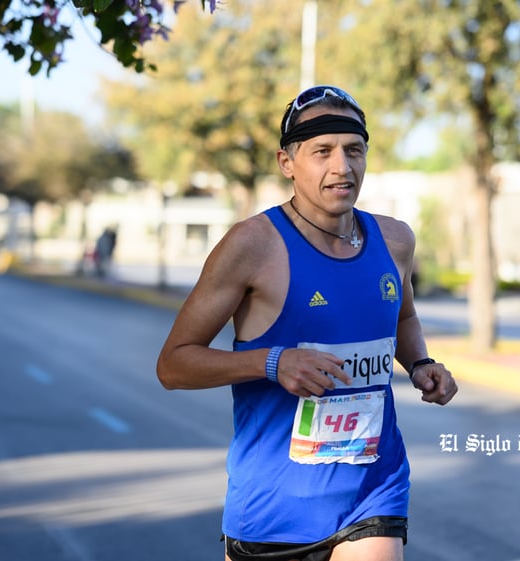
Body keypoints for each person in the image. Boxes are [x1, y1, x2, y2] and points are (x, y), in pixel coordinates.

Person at [156, 85, 458, 561]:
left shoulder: (394, 239)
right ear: (287, 163)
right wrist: (273, 363)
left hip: (373, 492)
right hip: (274, 506)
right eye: (323, 152)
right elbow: (173, 365)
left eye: (354, 150)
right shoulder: (252, 245)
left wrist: (419, 362)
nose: (343, 166)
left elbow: (404, 315)